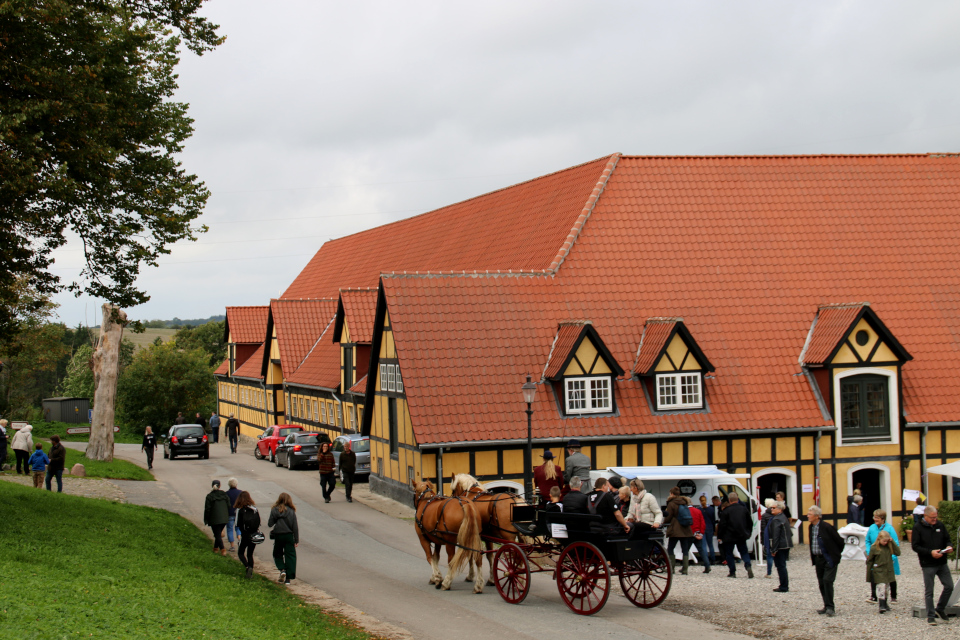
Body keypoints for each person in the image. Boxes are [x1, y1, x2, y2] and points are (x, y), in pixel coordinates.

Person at [912, 505, 955, 625]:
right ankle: (930, 615)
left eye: (936, 517)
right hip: (928, 563)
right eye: (932, 518)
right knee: (929, 590)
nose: (935, 520)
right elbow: (915, 546)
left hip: (941, 562)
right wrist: (930, 552)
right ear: (925, 516)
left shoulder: (940, 525)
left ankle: (940, 608)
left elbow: (947, 539)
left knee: (949, 586)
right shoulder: (918, 527)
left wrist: (949, 546)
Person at [807, 505, 843, 617]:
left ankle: (831, 607)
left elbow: (840, 541)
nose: (808, 516)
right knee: (822, 583)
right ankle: (826, 605)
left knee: (828, 580)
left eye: (810, 514)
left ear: (817, 516)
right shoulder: (811, 527)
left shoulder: (827, 527)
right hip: (818, 559)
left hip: (828, 558)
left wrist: (835, 555)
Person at [864, 509, 900, 604]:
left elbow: (895, 543)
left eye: (877, 517)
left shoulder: (889, 529)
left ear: (882, 518)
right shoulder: (872, 528)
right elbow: (867, 540)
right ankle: (874, 596)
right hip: (876, 555)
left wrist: (892, 557)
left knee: (889, 577)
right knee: (874, 574)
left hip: (888, 557)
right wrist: (869, 551)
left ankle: (893, 596)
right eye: (874, 517)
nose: (875, 519)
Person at [718, 492, 754, 578]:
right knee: (744, 552)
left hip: (729, 536)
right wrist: (749, 532)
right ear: (737, 500)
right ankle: (748, 565)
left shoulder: (726, 511)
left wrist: (720, 536)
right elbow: (750, 522)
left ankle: (732, 572)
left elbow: (722, 525)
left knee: (729, 554)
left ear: (729, 500)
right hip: (741, 534)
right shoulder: (744, 509)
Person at [663, 486, 695, 574]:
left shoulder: (671, 503)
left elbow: (668, 516)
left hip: (675, 529)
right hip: (685, 529)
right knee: (685, 549)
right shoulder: (684, 502)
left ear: (672, 494)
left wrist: (663, 523)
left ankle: (671, 568)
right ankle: (685, 569)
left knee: (670, 548)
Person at [866, 530, 899, 614]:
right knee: (881, 587)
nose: (885, 542)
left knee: (886, 588)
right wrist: (869, 574)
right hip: (879, 571)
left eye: (887, 541)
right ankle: (881, 605)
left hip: (888, 570)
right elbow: (870, 561)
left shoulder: (889, 546)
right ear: (879, 539)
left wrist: (893, 542)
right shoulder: (874, 548)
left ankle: (885, 603)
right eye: (884, 541)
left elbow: (898, 552)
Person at [269, 492, 299, 585]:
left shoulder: (274, 510)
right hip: (289, 535)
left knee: (277, 553)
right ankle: (288, 579)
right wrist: (296, 539)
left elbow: (270, 523)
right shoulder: (291, 511)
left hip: (278, 535)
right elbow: (295, 527)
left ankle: (282, 569)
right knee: (290, 555)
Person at [234, 491, 260, 579]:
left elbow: (237, 523)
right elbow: (258, 521)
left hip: (244, 534)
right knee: (250, 554)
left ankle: (247, 567)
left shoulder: (239, 509)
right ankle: (251, 570)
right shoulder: (254, 509)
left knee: (241, 553)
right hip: (254, 534)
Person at [768, 501, 792, 592]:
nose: (772, 509)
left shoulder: (777, 519)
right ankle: (784, 585)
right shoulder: (783, 517)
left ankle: (784, 586)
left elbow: (776, 535)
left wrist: (774, 549)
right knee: (782, 565)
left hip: (781, 546)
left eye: (774, 508)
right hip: (786, 544)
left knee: (780, 566)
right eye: (771, 507)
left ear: (780, 509)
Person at [203, 480, 230, 556]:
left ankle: (223, 550)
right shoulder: (224, 494)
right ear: (220, 486)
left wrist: (206, 519)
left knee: (217, 535)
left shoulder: (209, 496)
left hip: (214, 518)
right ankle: (215, 548)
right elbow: (229, 505)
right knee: (217, 533)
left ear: (212, 486)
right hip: (224, 518)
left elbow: (207, 509)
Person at [690, 500, 711, 573]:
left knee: (685, 551)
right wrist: (701, 533)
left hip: (689, 534)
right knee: (701, 550)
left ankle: (684, 567)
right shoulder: (698, 511)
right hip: (697, 533)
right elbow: (702, 523)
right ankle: (707, 565)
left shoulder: (686, 511)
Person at [698, 494, 717, 564]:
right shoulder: (711, 509)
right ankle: (713, 559)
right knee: (710, 544)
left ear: (700, 501)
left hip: (702, 528)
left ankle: (706, 560)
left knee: (703, 545)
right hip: (710, 527)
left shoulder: (699, 510)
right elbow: (713, 519)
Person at [225, 478, 242, 552]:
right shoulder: (240, 493)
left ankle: (232, 546)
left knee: (229, 529)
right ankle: (239, 540)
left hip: (229, 513)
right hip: (238, 513)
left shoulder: (227, 493)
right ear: (236, 484)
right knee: (238, 528)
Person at [761, 498, 776, 578]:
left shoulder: (765, 515)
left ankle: (769, 572)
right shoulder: (776, 515)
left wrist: (762, 540)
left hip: (768, 537)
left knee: (769, 555)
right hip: (776, 537)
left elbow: (763, 529)